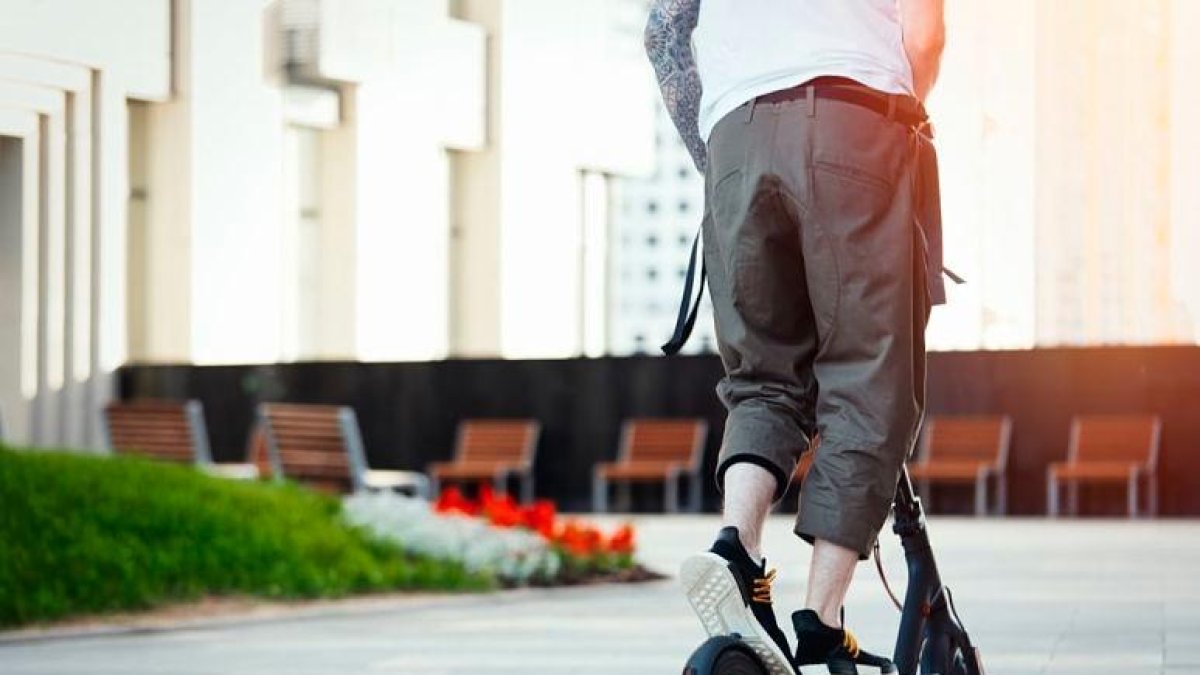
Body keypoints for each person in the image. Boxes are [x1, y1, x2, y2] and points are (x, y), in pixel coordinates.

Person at [645, 1, 947, 673]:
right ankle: (822, 620)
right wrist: (895, 124)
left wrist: (722, 158)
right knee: (870, 386)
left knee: (762, 380)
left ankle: (737, 549)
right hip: (854, 116)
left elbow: (663, 30)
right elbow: (924, 35)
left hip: (733, 137)